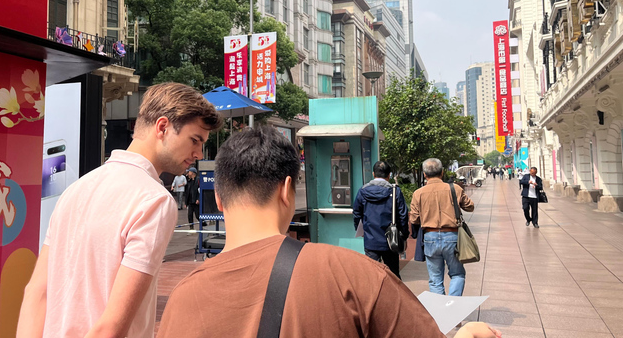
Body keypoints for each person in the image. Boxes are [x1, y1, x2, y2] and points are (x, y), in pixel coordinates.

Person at [157, 127, 501, 338]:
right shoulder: (354, 276)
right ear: (287, 191)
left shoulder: (183, 296)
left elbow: (357, 211)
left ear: (218, 196)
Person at [17, 83, 222, 338]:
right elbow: (111, 327)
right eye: (195, 140)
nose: (198, 153)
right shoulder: (154, 200)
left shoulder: (77, 188)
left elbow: (37, 292)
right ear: (162, 127)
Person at [410, 158, 475, 296]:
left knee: (435, 279)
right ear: (442, 172)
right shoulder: (455, 189)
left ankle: (440, 313)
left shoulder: (418, 193)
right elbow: (470, 206)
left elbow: (414, 219)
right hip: (452, 237)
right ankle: (453, 307)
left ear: (425, 174)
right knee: (457, 274)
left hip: (430, 237)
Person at [352, 160, 408, 278]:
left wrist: (361, 230)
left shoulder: (363, 191)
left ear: (373, 174)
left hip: (371, 239)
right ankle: (393, 296)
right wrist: (404, 235)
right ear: (389, 175)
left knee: (372, 275)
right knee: (393, 276)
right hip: (391, 240)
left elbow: (356, 213)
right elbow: (403, 215)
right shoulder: (395, 191)